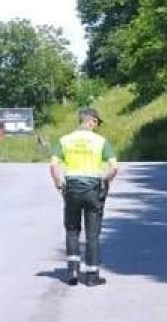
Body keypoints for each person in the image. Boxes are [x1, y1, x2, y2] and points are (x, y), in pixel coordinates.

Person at [49, 107, 119, 286]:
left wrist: (59, 184)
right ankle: (92, 276)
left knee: (72, 229)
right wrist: (105, 180)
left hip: (71, 188)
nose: (97, 127)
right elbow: (114, 167)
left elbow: (54, 165)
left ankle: (72, 270)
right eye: (97, 123)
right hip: (93, 189)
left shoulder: (65, 140)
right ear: (91, 121)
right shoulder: (100, 141)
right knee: (92, 234)